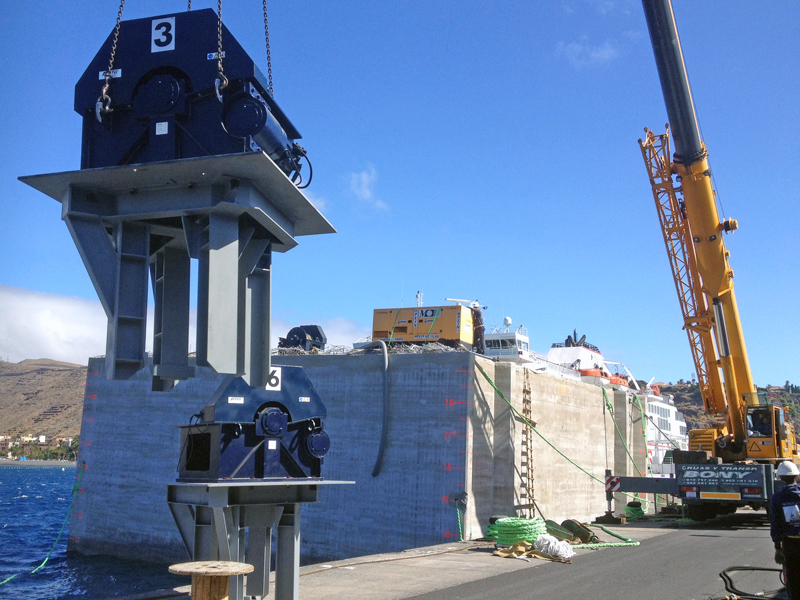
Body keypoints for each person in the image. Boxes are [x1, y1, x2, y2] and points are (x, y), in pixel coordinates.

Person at [770, 461, 800, 598]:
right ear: (797, 477)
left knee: (793, 577)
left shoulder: (777, 498)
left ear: (781, 478)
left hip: (790, 544)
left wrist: (777, 547)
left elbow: (775, 524)